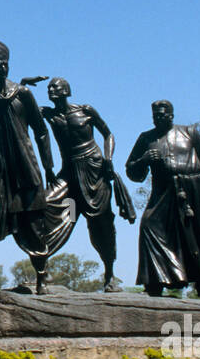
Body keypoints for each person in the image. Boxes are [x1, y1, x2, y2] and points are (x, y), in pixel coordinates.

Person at [0, 40, 73, 294]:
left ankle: (41, 275)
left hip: (23, 168)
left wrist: (49, 166)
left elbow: (41, 131)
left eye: (6, 61)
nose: (4, 66)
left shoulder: (23, 94)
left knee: (32, 223)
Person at [30, 76, 135, 292]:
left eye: (55, 87)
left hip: (94, 171)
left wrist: (108, 158)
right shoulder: (48, 114)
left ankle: (109, 276)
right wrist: (23, 83)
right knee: (50, 207)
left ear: (66, 90)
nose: (50, 90)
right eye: (49, 87)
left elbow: (108, 134)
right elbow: (21, 104)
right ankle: (42, 272)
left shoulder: (85, 110)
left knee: (101, 224)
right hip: (69, 174)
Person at [125, 100, 200, 298]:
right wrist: (143, 160)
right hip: (163, 189)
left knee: (197, 235)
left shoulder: (190, 132)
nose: (158, 118)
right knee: (148, 225)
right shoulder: (146, 138)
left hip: (193, 188)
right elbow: (132, 171)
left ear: (171, 115)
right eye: (155, 115)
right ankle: (155, 281)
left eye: (162, 115)